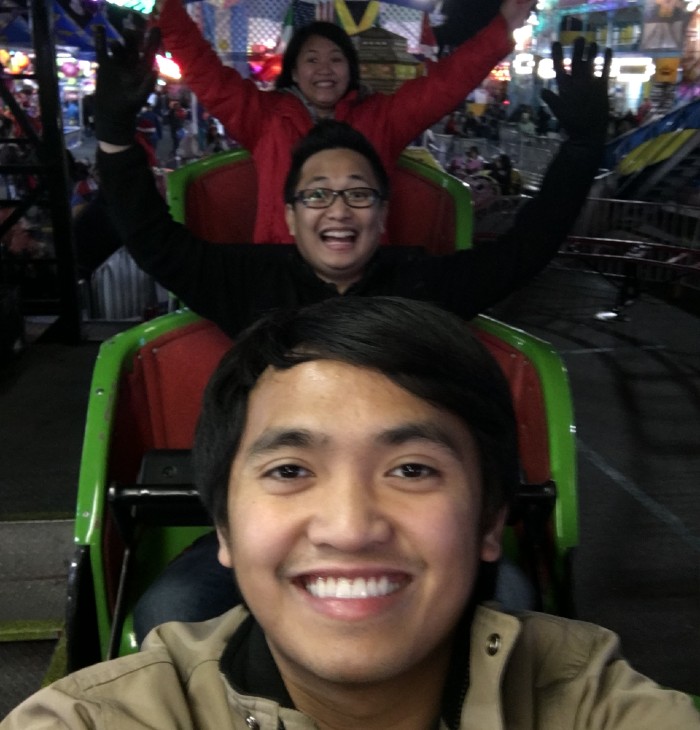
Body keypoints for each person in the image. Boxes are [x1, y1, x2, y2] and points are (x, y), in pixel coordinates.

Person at [3, 296, 699, 729]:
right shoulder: (100, 719)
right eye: (289, 471)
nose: (349, 525)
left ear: (492, 519)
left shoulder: (588, 700)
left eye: (412, 470)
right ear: (222, 523)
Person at [152, 0, 534, 243]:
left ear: (350, 70)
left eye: (335, 59)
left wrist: (501, 28)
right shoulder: (265, 118)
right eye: (311, 59)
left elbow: (446, 83)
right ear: (295, 73)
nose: (324, 70)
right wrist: (168, 11)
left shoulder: (383, 118)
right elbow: (207, 75)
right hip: (279, 275)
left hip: (362, 280)